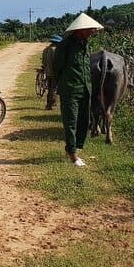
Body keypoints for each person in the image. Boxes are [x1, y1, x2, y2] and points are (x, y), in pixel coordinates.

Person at [52, 13, 103, 167]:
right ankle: (73, 154)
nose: (93, 32)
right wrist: (63, 84)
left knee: (84, 121)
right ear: (80, 30)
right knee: (71, 122)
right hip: (70, 89)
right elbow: (57, 68)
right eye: (90, 29)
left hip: (85, 89)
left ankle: (75, 149)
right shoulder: (65, 46)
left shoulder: (85, 45)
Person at [41, 34, 62, 110]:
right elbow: (57, 62)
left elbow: (43, 61)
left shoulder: (46, 49)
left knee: (50, 88)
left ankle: (49, 103)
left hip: (47, 72)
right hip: (54, 72)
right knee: (54, 88)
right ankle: (51, 104)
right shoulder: (55, 50)